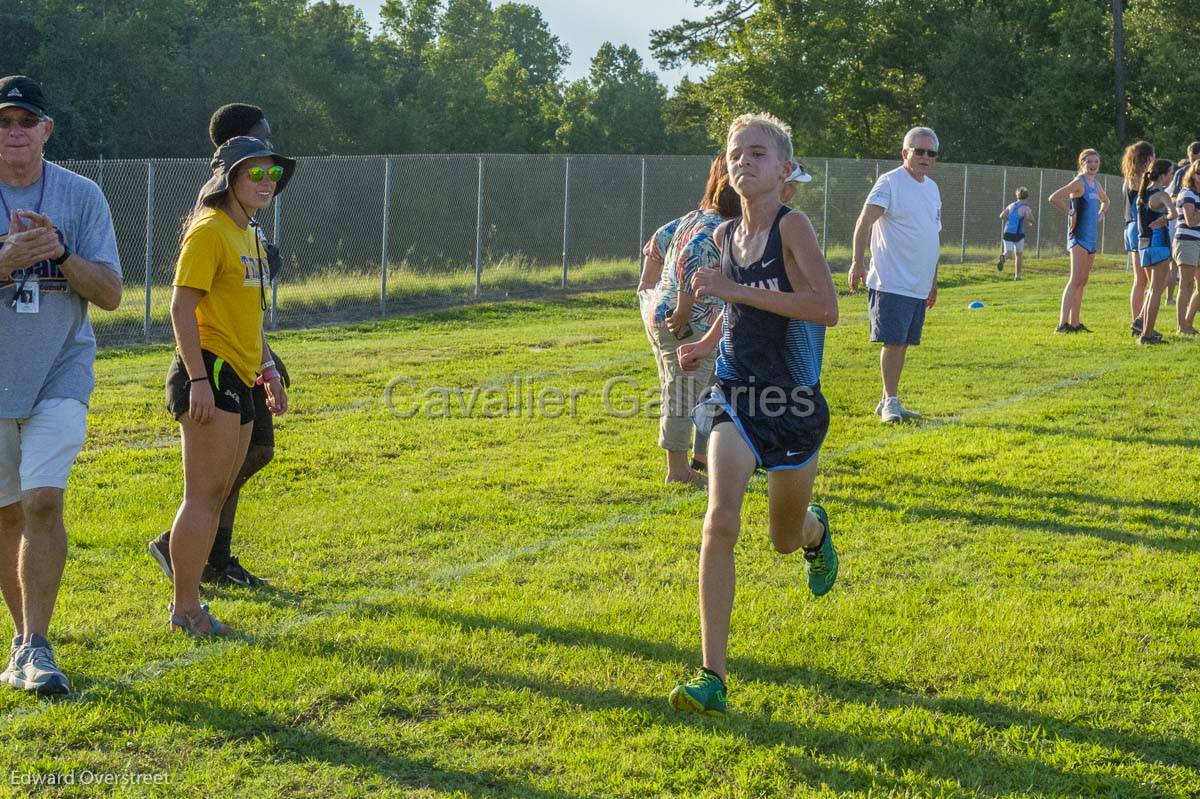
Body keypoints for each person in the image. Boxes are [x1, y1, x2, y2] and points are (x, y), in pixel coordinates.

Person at [667, 113, 839, 718]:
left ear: (784, 169)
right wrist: (709, 341)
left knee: (784, 541)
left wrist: (734, 293)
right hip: (734, 395)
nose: (744, 161)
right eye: (736, 153)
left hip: (792, 405)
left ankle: (816, 532)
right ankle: (712, 674)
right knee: (719, 519)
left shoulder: (795, 229)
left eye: (758, 153)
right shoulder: (722, 236)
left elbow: (825, 308)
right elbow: (737, 314)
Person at [0, 76, 122, 694]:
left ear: (47, 130)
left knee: (43, 500)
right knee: (5, 515)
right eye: (4, 121)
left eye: (27, 121)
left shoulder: (81, 194)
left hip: (59, 372)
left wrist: (62, 252)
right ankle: (21, 643)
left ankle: (38, 645)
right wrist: (6, 260)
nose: (15, 132)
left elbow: (111, 294)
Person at [149, 103, 289, 588]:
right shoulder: (211, 228)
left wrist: (268, 367)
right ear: (231, 174)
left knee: (224, 480)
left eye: (273, 170)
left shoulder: (247, 229)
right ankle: (187, 593)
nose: (268, 175)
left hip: (242, 366)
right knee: (205, 494)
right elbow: (181, 308)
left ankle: (202, 565)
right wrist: (198, 379)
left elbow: (247, 310)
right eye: (257, 169)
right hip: (211, 369)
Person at [639, 155, 739, 485]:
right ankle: (678, 472)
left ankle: (701, 458)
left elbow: (655, 242)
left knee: (707, 390)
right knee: (682, 393)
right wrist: (682, 311)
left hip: (672, 315)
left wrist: (647, 285)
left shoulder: (696, 216)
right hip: (686, 322)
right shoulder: (715, 227)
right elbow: (689, 257)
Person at [849, 127, 942, 423]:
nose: (925, 157)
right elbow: (864, 223)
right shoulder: (889, 182)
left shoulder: (932, 188)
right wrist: (856, 262)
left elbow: (932, 236)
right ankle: (890, 400)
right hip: (892, 280)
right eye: (919, 151)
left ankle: (890, 399)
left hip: (918, 282)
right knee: (893, 342)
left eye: (931, 152)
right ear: (905, 153)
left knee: (903, 342)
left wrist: (933, 279)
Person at [1048, 149, 1109, 333]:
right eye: (1089, 162)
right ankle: (1062, 324)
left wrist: (1101, 214)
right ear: (1082, 163)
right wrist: (1070, 212)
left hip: (1091, 238)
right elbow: (1054, 198)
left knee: (1083, 280)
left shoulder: (1096, 184)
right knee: (1075, 279)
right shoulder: (1079, 182)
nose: (1093, 165)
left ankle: (1075, 323)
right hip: (1078, 237)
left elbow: (1106, 201)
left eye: (1096, 162)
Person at [1135, 158, 1175, 344]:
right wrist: (1166, 219)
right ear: (1163, 175)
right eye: (1171, 173)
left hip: (1144, 245)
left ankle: (1145, 330)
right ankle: (1147, 334)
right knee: (1156, 291)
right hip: (1159, 244)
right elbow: (1174, 213)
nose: (1172, 177)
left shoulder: (1142, 194)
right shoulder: (1161, 194)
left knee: (1152, 290)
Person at [1168, 142, 1200, 331]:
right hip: (1187, 241)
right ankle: (1182, 325)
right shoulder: (1187, 192)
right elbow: (1190, 220)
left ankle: (1188, 322)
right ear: (1194, 175)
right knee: (1186, 284)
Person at [997, 187, 1035, 280]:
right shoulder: (1026, 208)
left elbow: (1002, 215)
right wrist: (1029, 220)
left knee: (1008, 252)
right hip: (1019, 234)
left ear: (1017, 196)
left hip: (1008, 232)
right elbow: (1031, 219)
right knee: (1019, 254)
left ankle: (1004, 258)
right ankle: (1017, 276)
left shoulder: (1011, 205)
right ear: (1027, 197)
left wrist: (1010, 219)